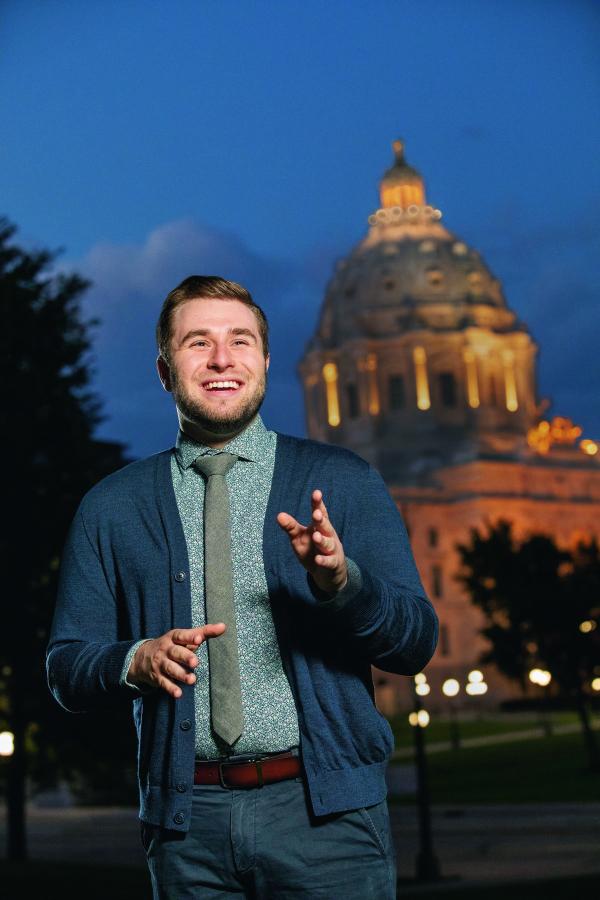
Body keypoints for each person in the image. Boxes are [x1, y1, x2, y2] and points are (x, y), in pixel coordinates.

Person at [47, 275, 438, 899]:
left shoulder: (344, 481)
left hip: (329, 819)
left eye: (241, 341)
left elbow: (414, 644)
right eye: (198, 342)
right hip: (186, 829)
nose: (222, 359)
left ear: (264, 361)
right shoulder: (111, 507)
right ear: (164, 369)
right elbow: (65, 667)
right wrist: (133, 660)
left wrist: (343, 584)